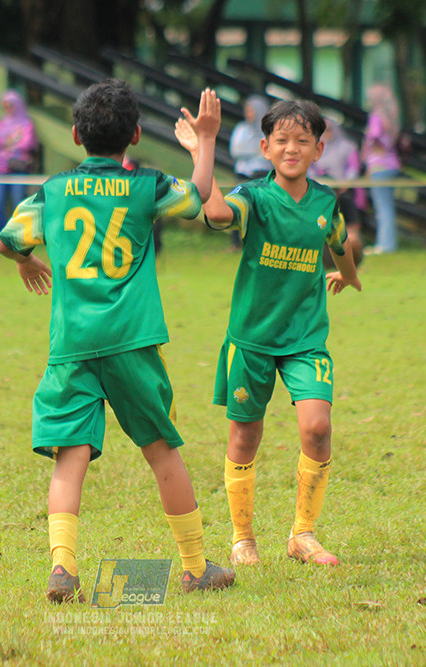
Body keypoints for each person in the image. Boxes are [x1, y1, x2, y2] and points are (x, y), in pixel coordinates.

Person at [0, 79, 235, 603]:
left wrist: (27, 262)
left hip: (73, 345)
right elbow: (196, 200)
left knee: (70, 455)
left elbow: (6, 240)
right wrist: (207, 140)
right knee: (161, 451)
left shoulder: (54, 190)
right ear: (137, 134)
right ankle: (194, 566)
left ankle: (63, 566)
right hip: (132, 340)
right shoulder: (146, 185)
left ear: (76, 135)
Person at [176, 99, 362, 568]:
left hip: (305, 339)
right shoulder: (253, 197)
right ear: (264, 147)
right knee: (245, 437)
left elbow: (339, 242)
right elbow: (217, 214)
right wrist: (205, 145)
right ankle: (243, 539)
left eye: (303, 140)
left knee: (318, 428)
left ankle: (303, 534)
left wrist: (349, 274)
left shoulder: (324, 202)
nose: (292, 148)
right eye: (281, 140)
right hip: (252, 340)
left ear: (319, 149)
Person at [309, 116, 365, 256]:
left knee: (347, 207)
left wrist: (345, 184)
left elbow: (353, 169)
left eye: (329, 130)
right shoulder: (312, 149)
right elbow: (309, 170)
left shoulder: (347, 147)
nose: (327, 133)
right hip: (319, 191)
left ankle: (351, 247)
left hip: (343, 189)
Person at [0, 89, 38, 234]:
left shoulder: (26, 123)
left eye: (10, 105)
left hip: (19, 168)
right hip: (0, 169)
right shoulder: (0, 123)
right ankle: (2, 235)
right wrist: (11, 140)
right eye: (4, 106)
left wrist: (7, 143)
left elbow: (27, 144)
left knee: (19, 204)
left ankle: (18, 235)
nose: (7, 109)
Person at [228, 96, 273, 250]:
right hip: (243, 174)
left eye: (251, 110)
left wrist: (251, 150)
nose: (248, 113)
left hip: (262, 173)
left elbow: (269, 152)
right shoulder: (241, 128)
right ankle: (236, 243)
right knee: (236, 205)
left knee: (261, 209)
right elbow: (235, 150)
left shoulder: (269, 130)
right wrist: (255, 150)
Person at [362, 84, 401, 254]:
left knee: (382, 206)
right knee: (387, 206)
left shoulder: (376, 117)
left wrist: (372, 156)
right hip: (392, 164)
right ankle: (387, 243)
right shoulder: (391, 118)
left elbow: (376, 137)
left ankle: (385, 245)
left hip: (379, 165)